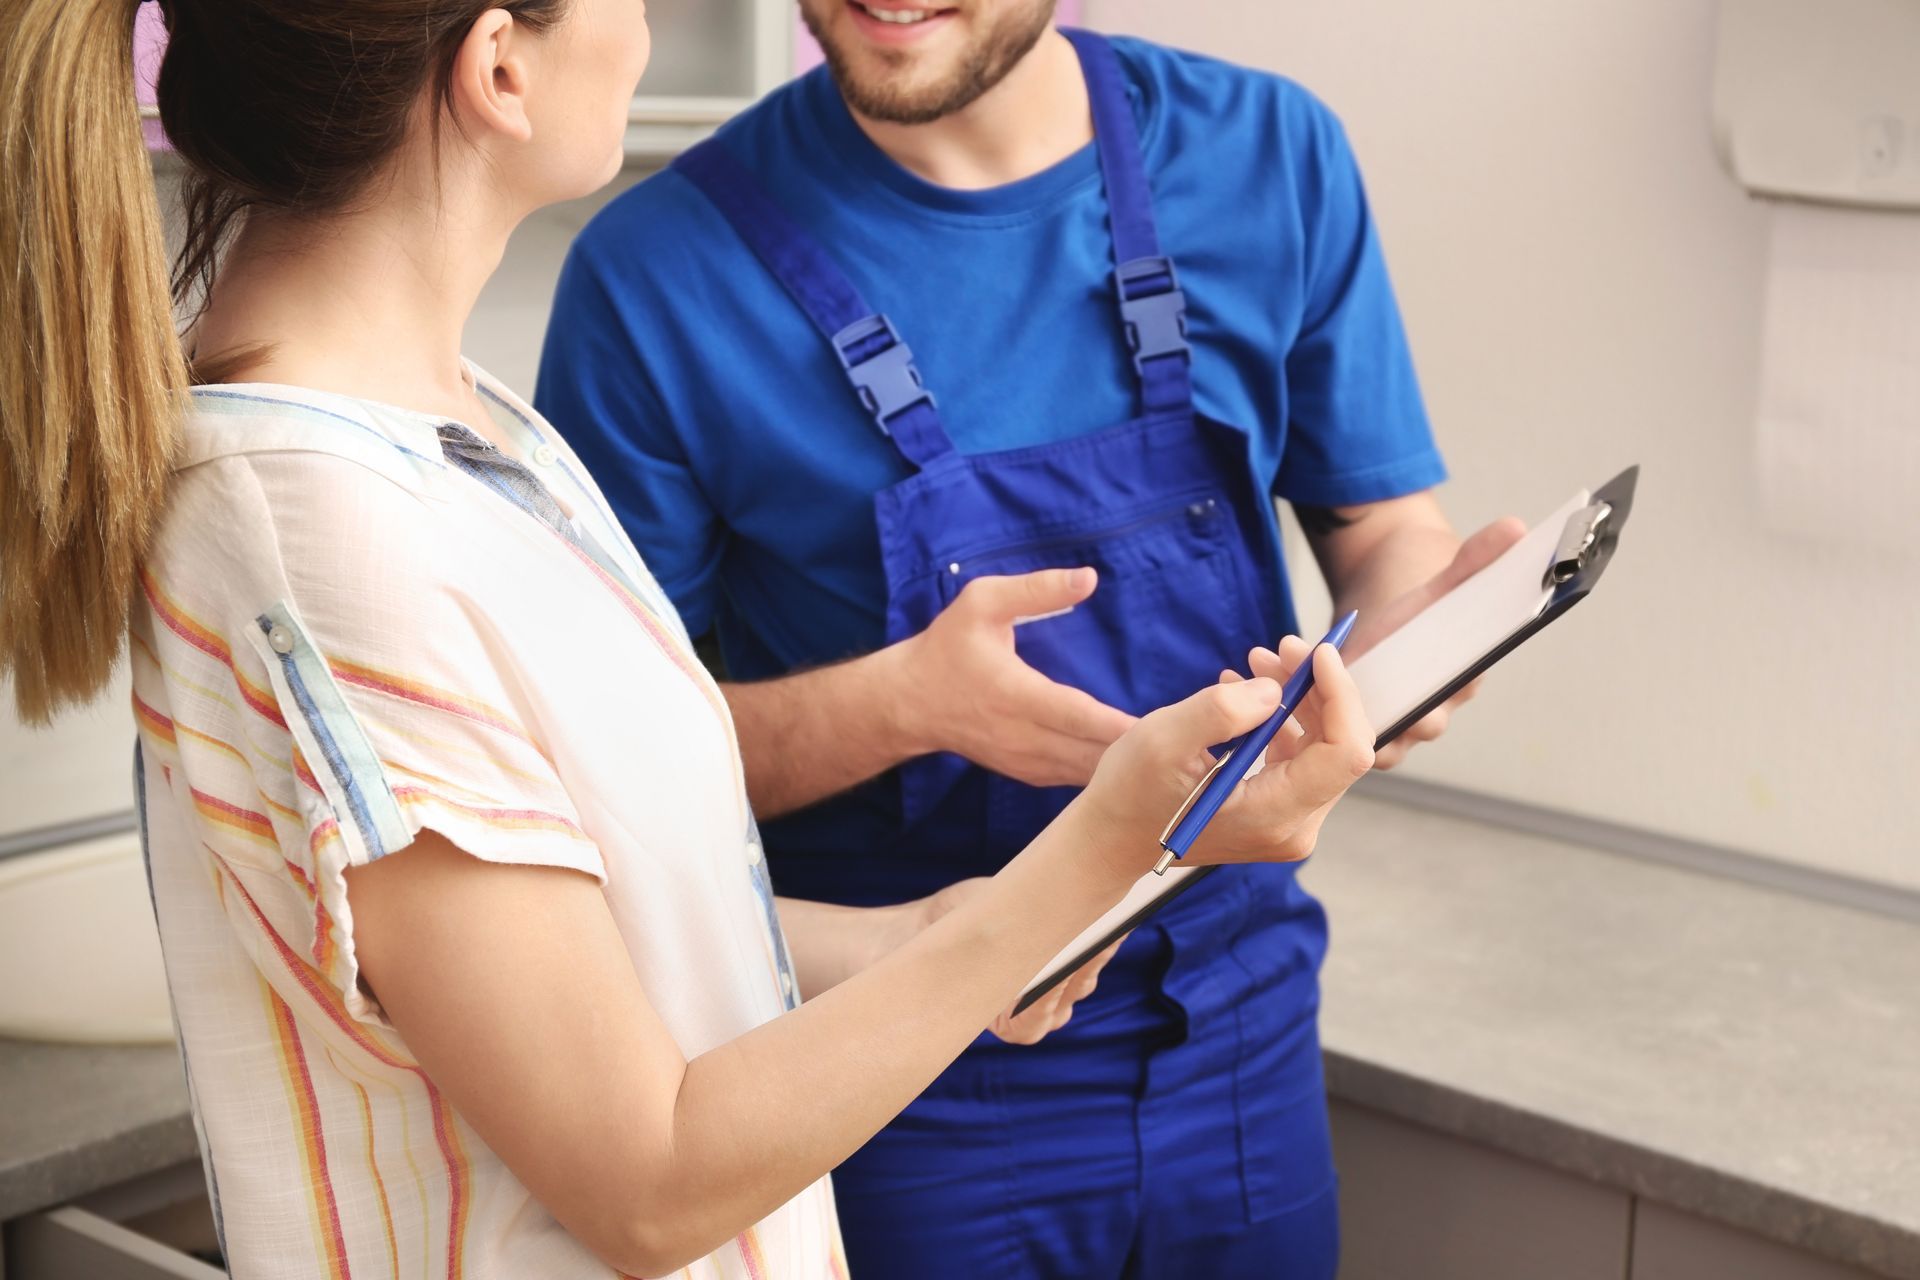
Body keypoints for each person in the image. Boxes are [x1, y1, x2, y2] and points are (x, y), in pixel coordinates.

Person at [0, 1, 1380, 1277]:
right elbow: (644, 1180)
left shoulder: (464, 436)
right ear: (499, 69)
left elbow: (577, 944)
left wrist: (919, 934)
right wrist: (1098, 849)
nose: (649, 22)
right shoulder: (318, 536)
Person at [535, 3, 1527, 1276]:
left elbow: (1382, 526)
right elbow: (606, 793)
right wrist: (904, 701)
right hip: (897, 1067)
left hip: (1237, 1019)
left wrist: (1407, 640)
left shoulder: (1271, 153)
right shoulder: (656, 278)